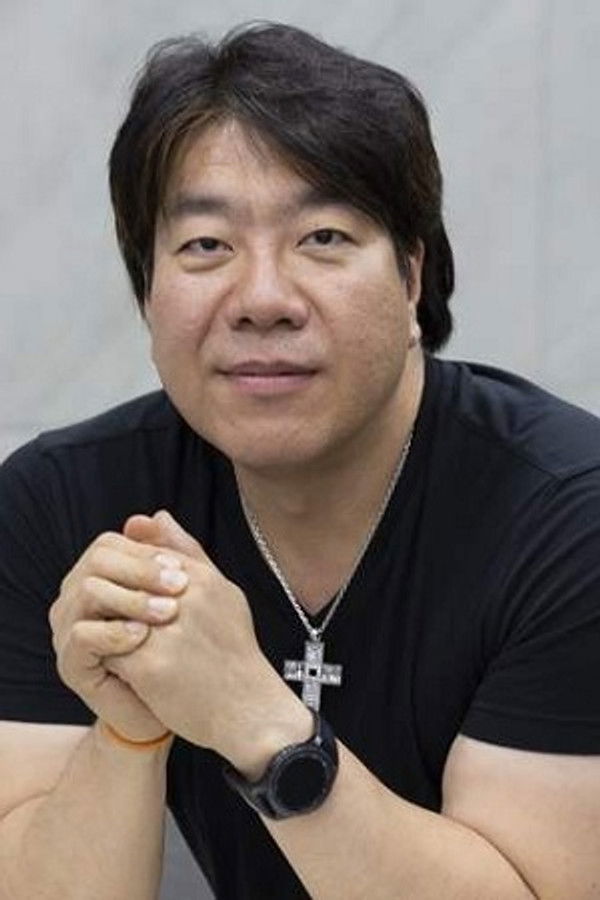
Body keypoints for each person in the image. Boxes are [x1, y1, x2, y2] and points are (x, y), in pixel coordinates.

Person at [1, 21, 599, 900]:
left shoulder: (569, 516)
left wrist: (257, 720)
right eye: (206, 246)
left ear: (411, 277)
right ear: (147, 290)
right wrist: (127, 731)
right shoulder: (61, 504)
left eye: (322, 237)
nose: (263, 299)